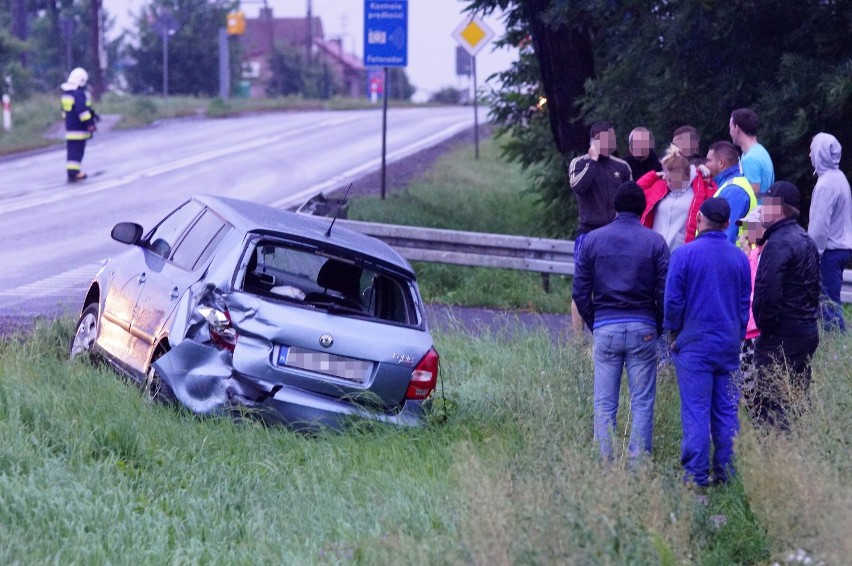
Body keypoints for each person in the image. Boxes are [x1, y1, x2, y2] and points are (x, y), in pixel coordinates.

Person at [572, 181, 669, 463]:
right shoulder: (655, 242)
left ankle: (606, 465)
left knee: (604, 403)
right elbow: (665, 291)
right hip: (644, 326)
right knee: (642, 401)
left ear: (615, 207)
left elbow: (579, 289)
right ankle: (637, 467)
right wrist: (658, 325)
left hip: (605, 325)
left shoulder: (593, 239)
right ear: (643, 208)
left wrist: (594, 322)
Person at [664, 197, 751, 488]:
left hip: (694, 345)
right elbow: (743, 303)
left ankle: (696, 475)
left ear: (699, 219)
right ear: (727, 224)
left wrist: (673, 333)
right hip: (727, 344)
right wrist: (737, 336)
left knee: (696, 410)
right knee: (727, 410)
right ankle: (727, 473)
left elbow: (673, 301)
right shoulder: (739, 258)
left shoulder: (684, 255)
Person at [752, 181, 821, 430]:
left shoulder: (778, 243)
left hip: (781, 334)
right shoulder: (806, 239)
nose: (760, 209)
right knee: (796, 400)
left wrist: (766, 329)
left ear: (778, 208)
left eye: (764, 203)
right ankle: (797, 454)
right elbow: (815, 289)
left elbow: (767, 292)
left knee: (770, 403)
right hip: (807, 330)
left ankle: (775, 458)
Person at [568, 121, 632, 336]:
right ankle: (578, 340)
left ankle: (606, 334)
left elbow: (629, 200)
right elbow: (579, 186)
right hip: (588, 233)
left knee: (613, 286)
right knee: (582, 287)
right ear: (594, 140)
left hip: (616, 233)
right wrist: (593, 161)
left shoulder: (621, 167)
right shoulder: (579, 162)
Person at [807, 132, 852, 332]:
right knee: (830, 301)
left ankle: (837, 349)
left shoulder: (826, 184)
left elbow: (819, 226)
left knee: (828, 304)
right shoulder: (839, 177)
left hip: (830, 252)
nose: (810, 155)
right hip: (843, 247)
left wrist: (811, 254)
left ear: (820, 153)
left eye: (812, 150)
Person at [637, 143, 717, 251]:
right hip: (655, 251)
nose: (669, 183)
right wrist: (653, 175)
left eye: (673, 179)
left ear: (686, 176)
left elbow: (715, 200)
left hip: (682, 251)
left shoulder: (698, 190)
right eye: (668, 178)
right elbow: (636, 191)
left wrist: (708, 181)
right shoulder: (661, 186)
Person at [734, 209, 765, 412]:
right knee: (746, 389)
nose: (746, 231)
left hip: (757, 330)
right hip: (746, 329)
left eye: (751, 226)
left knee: (757, 390)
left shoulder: (767, 254)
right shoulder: (753, 253)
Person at [704, 141, 757, 244]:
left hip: (734, 256)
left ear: (721, 163)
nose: (706, 164)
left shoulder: (733, 191)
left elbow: (727, 234)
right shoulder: (731, 185)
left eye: (709, 160)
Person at [60, 67, 98, 183]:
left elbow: (63, 112)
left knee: (72, 152)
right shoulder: (78, 94)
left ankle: (72, 172)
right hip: (79, 129)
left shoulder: (66, 94)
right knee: (78, 151)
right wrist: (90, 124)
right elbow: (83, 112)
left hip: (70, 128)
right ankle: (75, 173)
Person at [730, 108, 774, 192]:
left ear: (737, 128)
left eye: (730, 127)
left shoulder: (750, 159)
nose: (730, 132)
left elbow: (751, 196)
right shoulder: (761, 151)